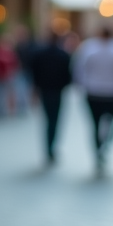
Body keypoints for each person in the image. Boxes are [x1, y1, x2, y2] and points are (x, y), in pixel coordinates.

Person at [71, 27, 113, 172]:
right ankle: (102, 146)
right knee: (109, 121)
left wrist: (80, 85)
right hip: (110, 92)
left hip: (96, 91)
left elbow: (79, 68)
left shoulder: (89, 47)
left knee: (95, 124)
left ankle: (99, 147)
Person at [27, 30, 73, 165]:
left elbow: (34, 74)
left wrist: (35, 89)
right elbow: (68, 76)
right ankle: (51, 147)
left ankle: (49, 147)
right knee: (55, 120)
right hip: (57, 92)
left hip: (45, 91)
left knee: (48, 120)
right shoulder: (63, 55)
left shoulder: (39, 54)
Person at [0, 33, 20, 118]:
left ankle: (10, 110)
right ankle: (0, 110)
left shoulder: (9, 51)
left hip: (9, 76)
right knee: (0, 94)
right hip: (0, 76)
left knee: (9, 93)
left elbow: (14, 63)